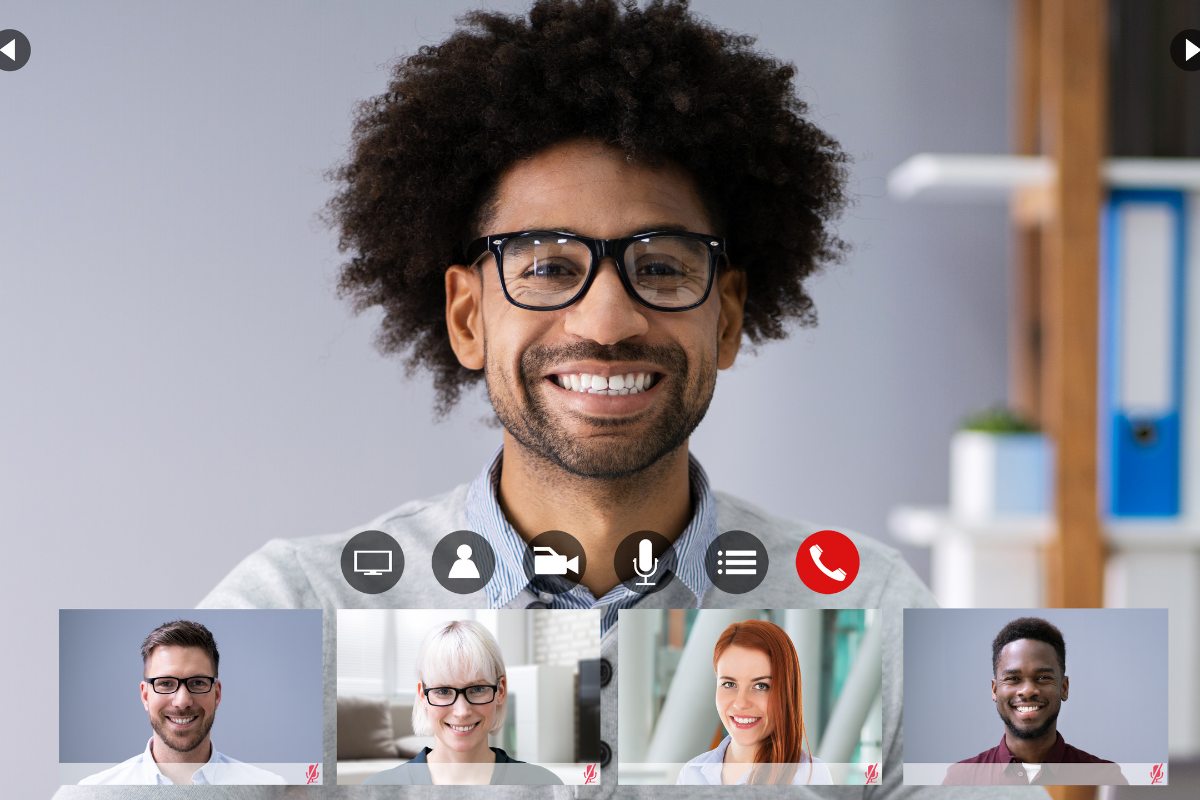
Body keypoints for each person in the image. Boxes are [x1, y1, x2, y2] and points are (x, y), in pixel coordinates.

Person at [56, 2, 1041, 798]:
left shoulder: (865, 606)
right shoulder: (305, 606)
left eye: (661, 265)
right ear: (468, 313)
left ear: (729, 315)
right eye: (547, 264)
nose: (607, 317)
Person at [78, 620, 284, 786]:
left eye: (197, 682)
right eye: (166, 683)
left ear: (217, 694)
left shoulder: (268, 789)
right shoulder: (94, 793)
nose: (183, 701)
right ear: (145, 696)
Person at [363, 620, 562, 785]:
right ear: (423, 696)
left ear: (500, 690)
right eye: (443, 691)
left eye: (477, 689)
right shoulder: (376, 789)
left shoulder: (544, 785)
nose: (461, 711)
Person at [943, 617, 1127, 786]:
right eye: (1013, 678)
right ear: (995, 690)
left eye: (1042, 678)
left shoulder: (1104, 778)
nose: (1028, 691)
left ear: (1064, 688)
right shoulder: (961, 779)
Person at [678, 620, 831, 785]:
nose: (741, 703)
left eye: (761, 686)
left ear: (786, 692)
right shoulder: (692, 774)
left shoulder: (809, 776)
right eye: (729, 684)